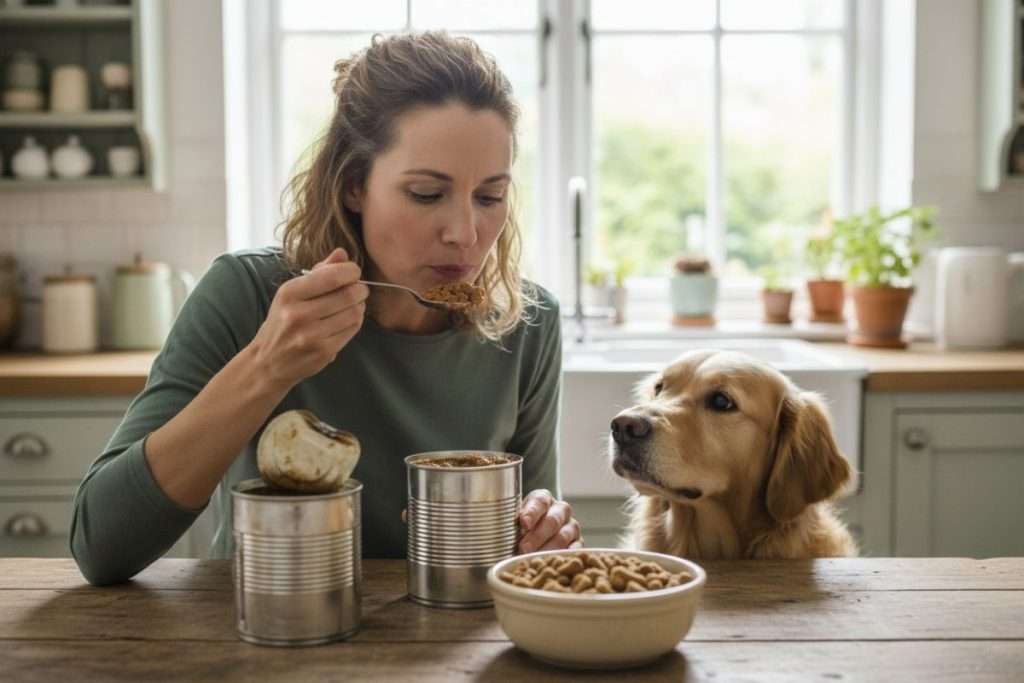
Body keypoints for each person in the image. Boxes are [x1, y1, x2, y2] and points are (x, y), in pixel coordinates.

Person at [70, 31, 581, 586]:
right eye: (427, 194)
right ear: (355, 185)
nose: (464, 233)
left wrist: (540, 528)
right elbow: (101, 545)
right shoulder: (246, 294)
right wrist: (266, 365)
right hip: (265, 627)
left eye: (489, 197)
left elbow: (528, 538)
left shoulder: (530, 323)